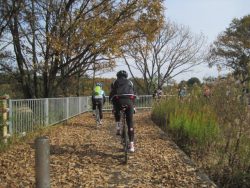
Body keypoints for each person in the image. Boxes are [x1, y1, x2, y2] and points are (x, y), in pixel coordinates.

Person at [109, 70, 136, 152]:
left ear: (118, 76)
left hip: (119, 101)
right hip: (129, 101)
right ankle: (131, 146)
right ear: (126, 76)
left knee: (116, 110)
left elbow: (112, 93)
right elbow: (134, 93)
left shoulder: (115, 82)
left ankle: (118, 127)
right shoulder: (130, 82)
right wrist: (134, 106)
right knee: (130, 122)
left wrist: (111, 101)